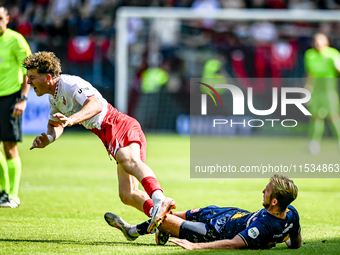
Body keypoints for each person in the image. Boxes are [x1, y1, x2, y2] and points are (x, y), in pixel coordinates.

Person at [23, 51, 175, 232]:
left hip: (116, 124)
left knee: (129, 161)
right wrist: (47, 139)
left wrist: (72, 120)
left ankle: (160, 199)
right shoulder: (54, 97)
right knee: (127, 194)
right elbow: (55, 125)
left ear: (48, 77)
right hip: (108, 132)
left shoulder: (70, 84)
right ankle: (167, 223)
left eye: (32, 77)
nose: (28, 82)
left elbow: (94, 105)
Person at [105, 174, 302, 250]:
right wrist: (281, 237)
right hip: (227, 214)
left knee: (163, 219)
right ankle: (162, 230)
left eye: (266, 191)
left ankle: (132, 231)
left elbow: (234, 244)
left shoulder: (261, 227)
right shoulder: (291, 213)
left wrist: (195, 247)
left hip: (211, 232)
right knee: (172, 211)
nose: (262, 191)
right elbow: (296, 243)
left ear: (275, 201)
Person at [0, 6, 31, 208]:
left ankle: (12, 195)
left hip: (10, 98)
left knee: (9, 147)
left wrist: (23, 98)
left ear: (7, 19)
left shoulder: (16, 40)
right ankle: (3, 192)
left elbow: (29, 69)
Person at [304, 33, 340, 155]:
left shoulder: (333, 54)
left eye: (321, 40)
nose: (318, 42)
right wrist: (307, 89)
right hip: (316, 91)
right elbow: (311, 73)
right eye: (316, 40)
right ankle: (314, 142)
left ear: (326, 41)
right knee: (316, 117)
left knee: (333, 117)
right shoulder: (310, 55)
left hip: (329, 91)